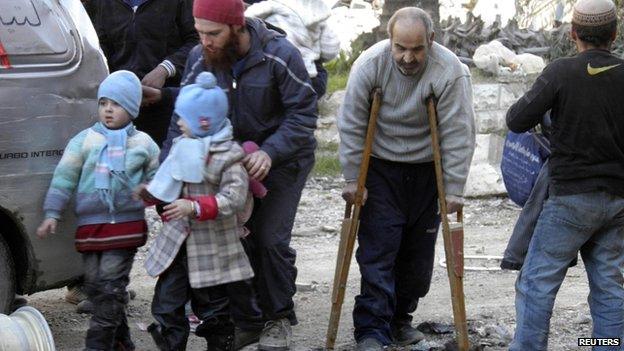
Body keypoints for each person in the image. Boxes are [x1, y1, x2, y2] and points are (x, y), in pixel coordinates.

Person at [142, 0, 318, 349]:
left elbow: (304, 114)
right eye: (199, 32)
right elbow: (183, 124)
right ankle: (247, 320)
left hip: (282, 161)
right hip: (224, 162)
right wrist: (166, 181)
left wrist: (271, 151)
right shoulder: (199, 57)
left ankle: (278, 317)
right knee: (233, 239)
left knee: (269, 239)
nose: (204, 41)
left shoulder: (280, 56)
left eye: (213, 33)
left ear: (236, 27)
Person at [337, 7, 475, 350]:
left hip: (428, 170)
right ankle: (371, 329)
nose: (407, 57)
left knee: (417, 257)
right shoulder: (370, 65)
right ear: (390, 40)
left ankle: (401, 320)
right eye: (400, 47)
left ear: (431, 41)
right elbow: (352, 125)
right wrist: (354, 178)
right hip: (381, 167)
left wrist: (454, 187)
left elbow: (459, 132)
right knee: (378, 250)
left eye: (416, 49)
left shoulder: (450, 71)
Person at [506, 0, 624, 349]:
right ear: (614, 35)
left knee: (537, 282)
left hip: (570, 200)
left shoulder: (560, 72)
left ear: (573, 34)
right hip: (618, 200)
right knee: (609, 285)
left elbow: (516, 120)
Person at [36, 70, 160, 351]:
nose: (107, 110)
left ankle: (98, 345)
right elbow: (64, 177)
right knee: (96, 287)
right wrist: (52, 213)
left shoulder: (143, 144)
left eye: (116, 104)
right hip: (91, 230)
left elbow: (161, 178)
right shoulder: (84, 140)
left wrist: (149, 190)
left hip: (125, 229)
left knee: (110, 289)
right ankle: (123, 342)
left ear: (131, 108)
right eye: (103, 103)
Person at [139, 71, 257, 351]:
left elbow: (234, 198)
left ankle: (220, 343)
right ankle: (171, 344)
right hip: (178, 244)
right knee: (166, 305)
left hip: (212, 247)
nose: (178, 123)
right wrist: (148, 192)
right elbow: (168, 180)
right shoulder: (183, 146)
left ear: (203, 121)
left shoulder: (229, 157)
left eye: (183, 118)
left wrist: (194, 206)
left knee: (213, 309)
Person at [82, 0, 199, 146]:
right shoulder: (98, 4)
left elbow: (197, 40)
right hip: (117, 107)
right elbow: (92, 46)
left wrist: (165, 69)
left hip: (165, 104)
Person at [244, 0, 341, 98]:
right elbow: (330, 49)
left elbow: (247, 17)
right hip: (310, 76)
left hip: (279, 69)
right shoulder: (320, 14)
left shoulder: (274, 4)